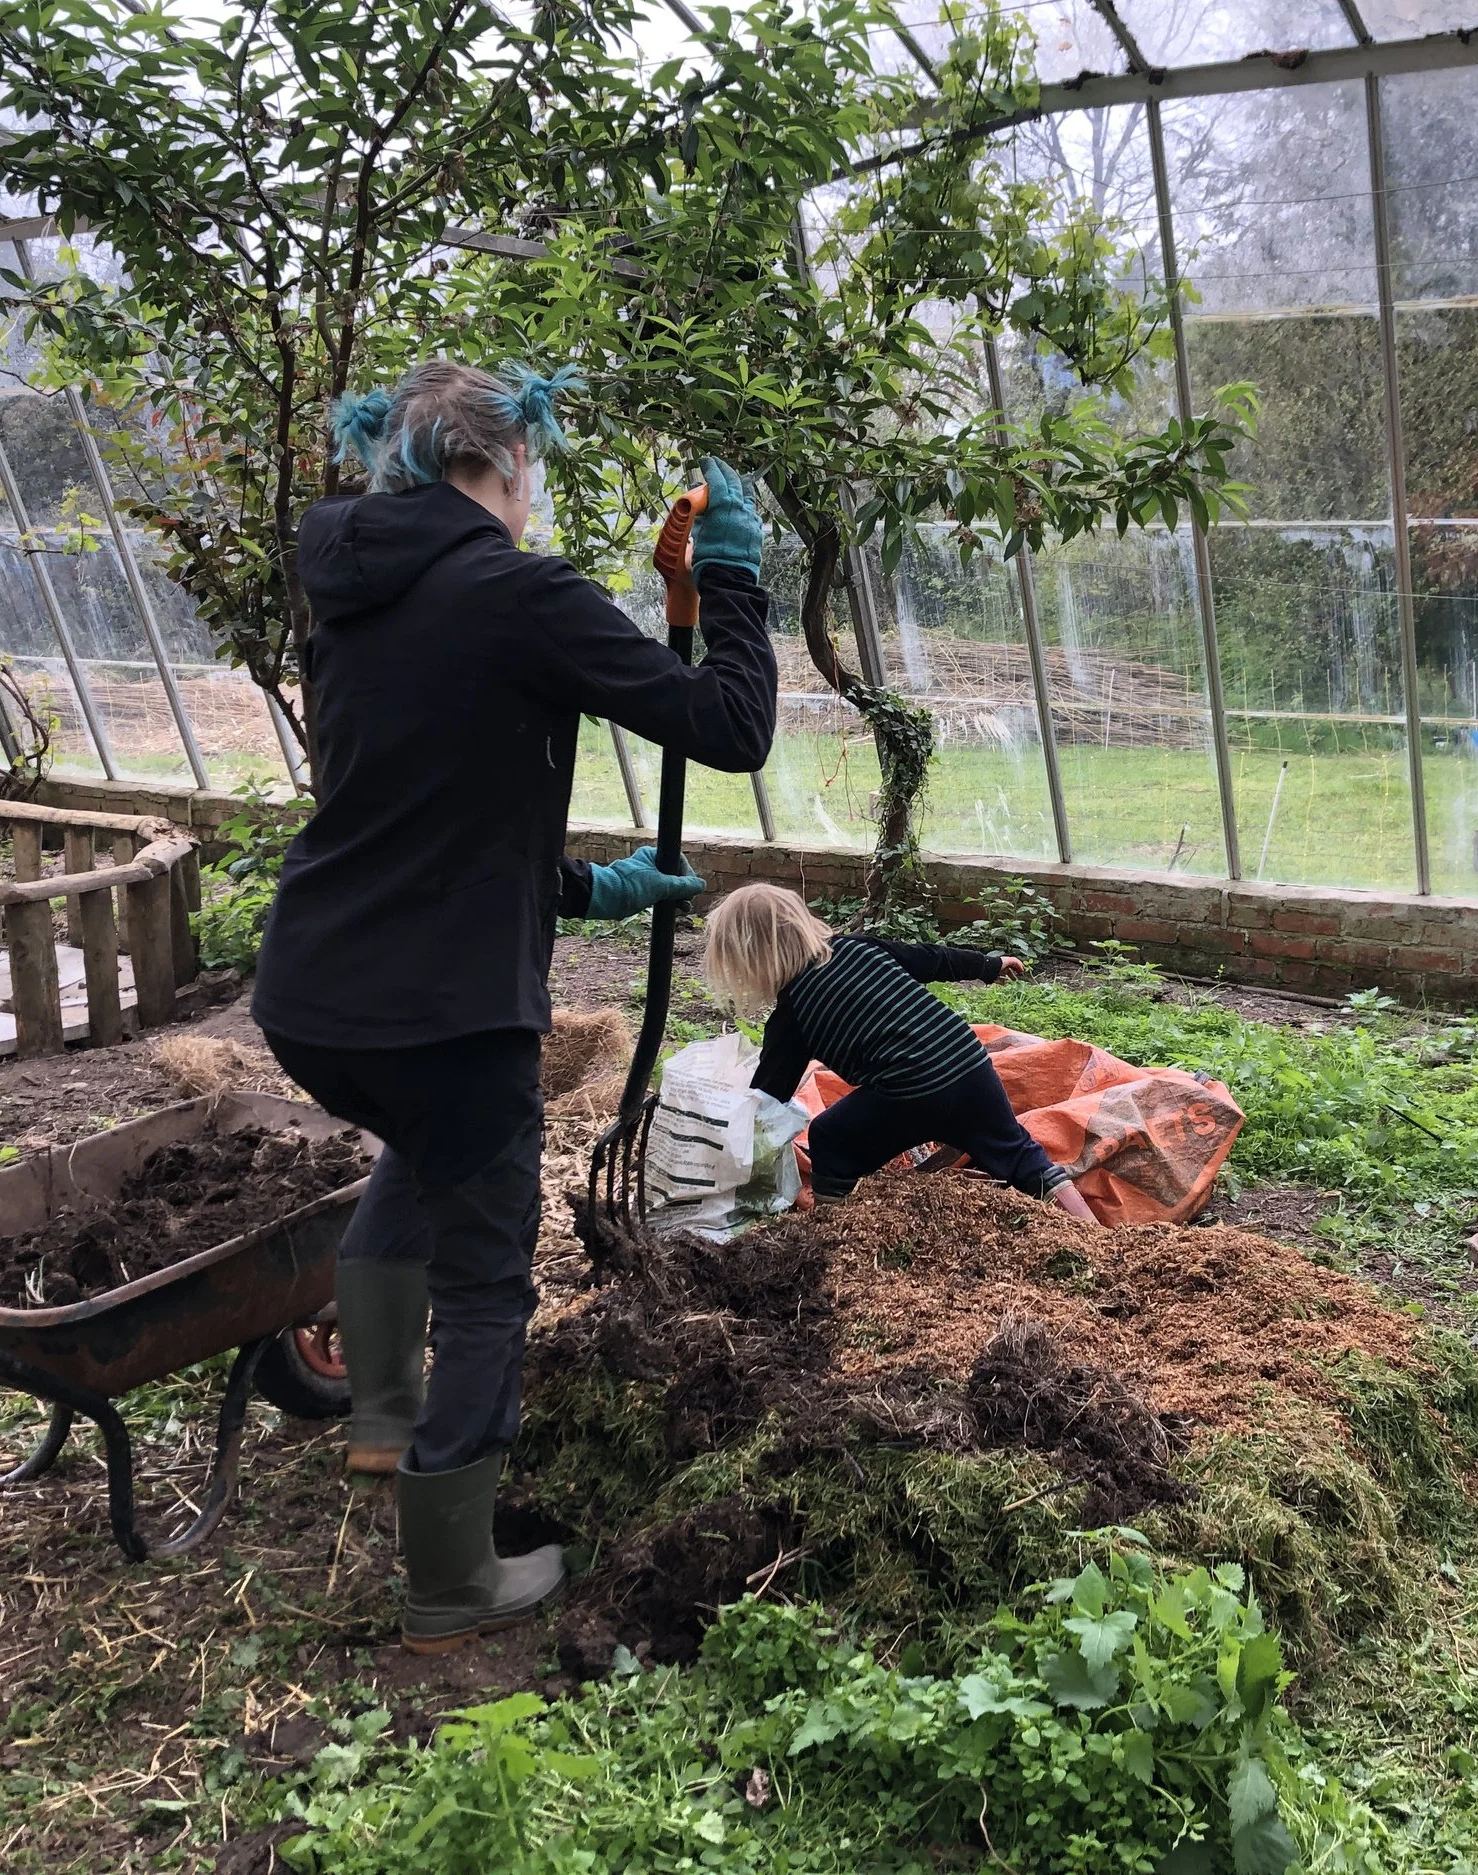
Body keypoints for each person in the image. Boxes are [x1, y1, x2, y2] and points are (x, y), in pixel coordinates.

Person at [253, 359, 776, 1654]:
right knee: (488, 1281)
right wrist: (737, 579)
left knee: (419, 1160)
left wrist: (590, 884)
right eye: (531, 471)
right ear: (501, 465)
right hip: (447, 1006)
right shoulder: (516, 587)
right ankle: (450, 1580)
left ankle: (381, 1420)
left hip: (317, 992)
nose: (533, 494)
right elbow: (728, 722)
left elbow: (424, 808)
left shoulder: (352, 597)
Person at [700, 883, 1098, 1222]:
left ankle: (831, 1234)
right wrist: (989, 965)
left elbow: (769, 1099)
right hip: (968, 1062)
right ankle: (1095, 1238)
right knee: (1017, 1151)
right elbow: (931, 958)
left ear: (750, 959)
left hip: (911, 1092)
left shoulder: (793, 1013)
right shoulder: (858, 947)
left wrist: (724, 1136)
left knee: (829, 1139)